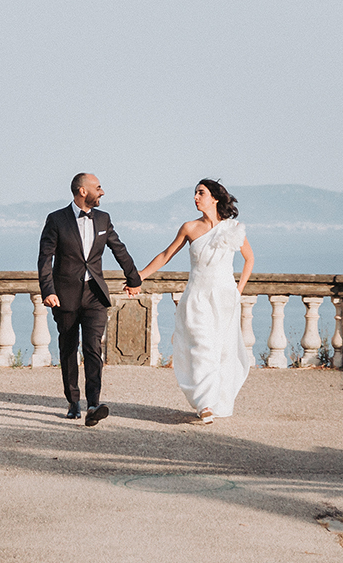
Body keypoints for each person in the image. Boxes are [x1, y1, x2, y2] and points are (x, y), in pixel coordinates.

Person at [135, 179, 254, 423]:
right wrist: (139, 277)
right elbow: (166, 255)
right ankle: (204, 403)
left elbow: (249, 259)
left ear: (215, 198)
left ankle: (217, 400)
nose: (196, 197)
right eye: (195, 193)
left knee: (221, 350)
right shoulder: (189, 227)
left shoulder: (232, 228)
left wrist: (237, 290)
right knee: (201, 347)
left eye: (201, 193)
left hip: (224, 298)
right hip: (197, 297)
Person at [38, 172, 142, 426]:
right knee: (68, 348)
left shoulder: (104, 218)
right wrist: (48, 290)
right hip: (65, 296)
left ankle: (94, 403)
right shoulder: (56, 219)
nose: (102, 192)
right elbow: (45, 258)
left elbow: (119, 248)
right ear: (82, 191)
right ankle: (73, 401)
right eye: (98, 187)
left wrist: (134, 279)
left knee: (93, 347)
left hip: (95, 294)